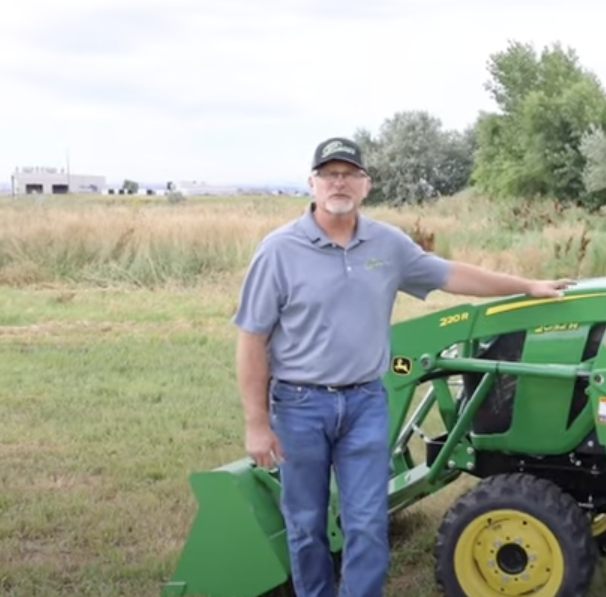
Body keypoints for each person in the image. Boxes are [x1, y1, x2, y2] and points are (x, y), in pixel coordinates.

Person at [231, 136, 573, 597]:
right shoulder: (278, 251)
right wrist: (256, 423)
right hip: (298, 405)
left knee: (367, 522)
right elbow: (252, 338)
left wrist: (527, 286)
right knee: (307, 523)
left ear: (365, 184)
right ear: (311, 183)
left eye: (349, 174)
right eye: (329, 174)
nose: (339, 182)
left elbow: (451, 274)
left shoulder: (386, 244)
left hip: (365, 403)